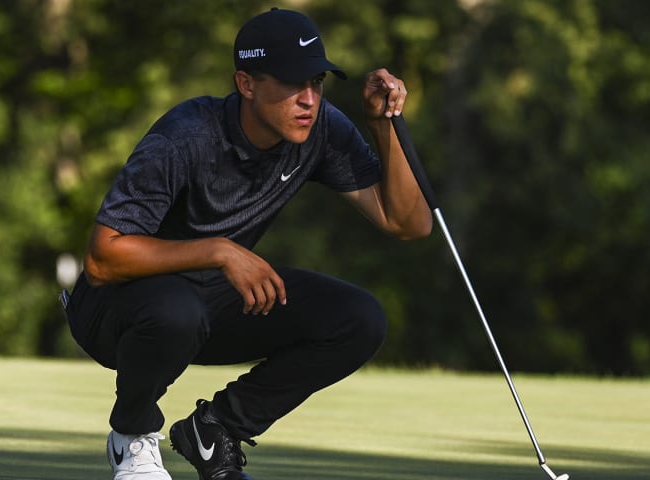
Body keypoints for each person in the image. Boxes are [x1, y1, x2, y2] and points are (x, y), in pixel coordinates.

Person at [63, 7, 432, 480]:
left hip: (206, 304)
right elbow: (102, 259)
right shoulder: (186, 135)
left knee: (358, 319)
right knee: (176, 310)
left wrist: (383, 127)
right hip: (116, 310)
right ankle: (132, 438)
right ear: (246, 84)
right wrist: (220, 250)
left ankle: (215, 428)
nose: (309, 99)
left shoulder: (320, 130)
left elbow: (407, 223)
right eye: (291, 83)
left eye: (317, 82)